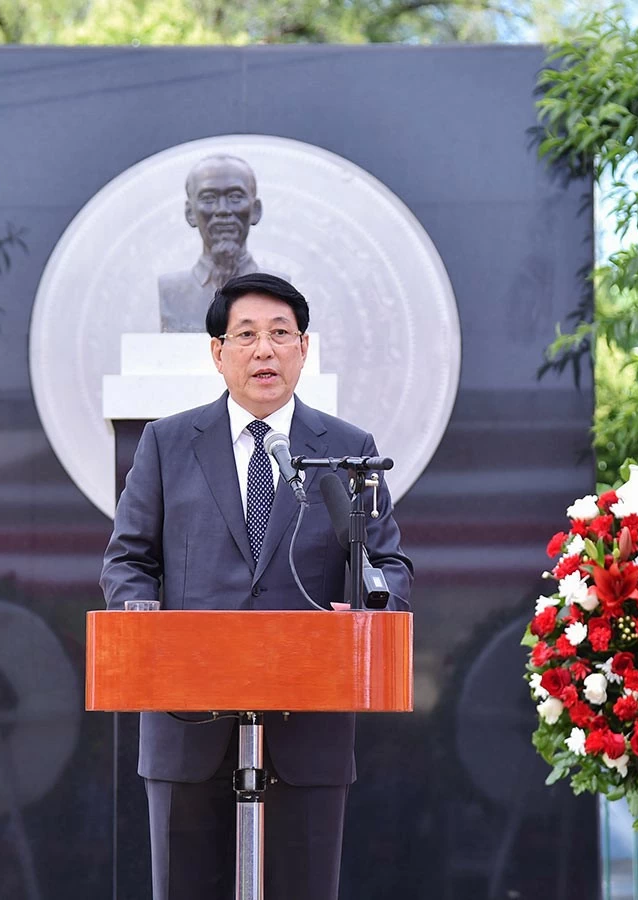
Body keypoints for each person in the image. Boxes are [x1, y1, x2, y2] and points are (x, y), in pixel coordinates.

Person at [102, 272, 413, 900]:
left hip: (310, 726)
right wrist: (144, 619)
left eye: (280, 334)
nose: (263, 350)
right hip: (187, 722)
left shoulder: (349, 450)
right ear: (217, 352)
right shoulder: (166, 443)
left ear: (304, 348)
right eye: (245, 335)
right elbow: (127, 561)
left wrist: (370, 606)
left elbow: (390, 566)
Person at [158, 155, 265, 332]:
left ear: (255, 210)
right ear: (190, 213)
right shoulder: (171, 291)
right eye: (208, 198)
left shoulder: (279, 288)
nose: (223, 210)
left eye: (235, 197)